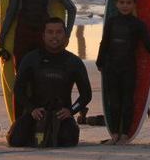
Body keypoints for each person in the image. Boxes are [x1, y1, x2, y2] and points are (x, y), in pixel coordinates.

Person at [7, 17, 92, 148]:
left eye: (58, 32)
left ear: (65, 35)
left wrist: (70, 111)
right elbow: (18, 89)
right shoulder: (31, 58)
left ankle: (47, 134)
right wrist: (31, 109)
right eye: (50, 32)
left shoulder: (74, 62)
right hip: (37, 113)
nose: (54, 36)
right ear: (43, 35)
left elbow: (86, 94)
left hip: (61, 115)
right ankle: (37, 134)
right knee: (15, 140)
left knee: (68, 142)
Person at [96, 0, 150, 144]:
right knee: (114, 101)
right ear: (116, 4)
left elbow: (147, 44)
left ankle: (124, 133)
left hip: (128, 67)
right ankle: (114, 134)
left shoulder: (137, 24)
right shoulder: (111, 22)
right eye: (122, 2)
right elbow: (104, 43)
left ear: (134, 4)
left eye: (128, 2)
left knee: (127, 101)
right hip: (111, 67)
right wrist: (99, 61)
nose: (125, 5)